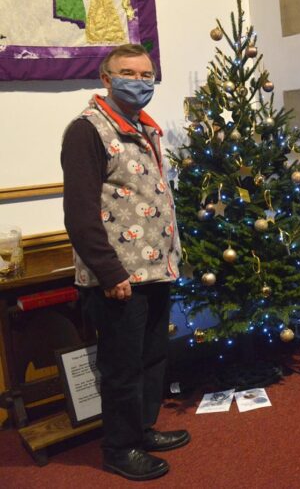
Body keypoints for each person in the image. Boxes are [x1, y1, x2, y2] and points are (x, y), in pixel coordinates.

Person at [61, 44, 188, 481]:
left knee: (152, 357)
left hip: (156, 269)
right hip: (119, 277)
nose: (141, 80)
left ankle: (142, 429)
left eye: (147, 73)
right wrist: (110, 273)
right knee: (121, 367)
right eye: (129, 72)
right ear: (106, 79)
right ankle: (119, 448)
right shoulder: (87, 131)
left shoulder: (143, 129)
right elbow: (79, 214)